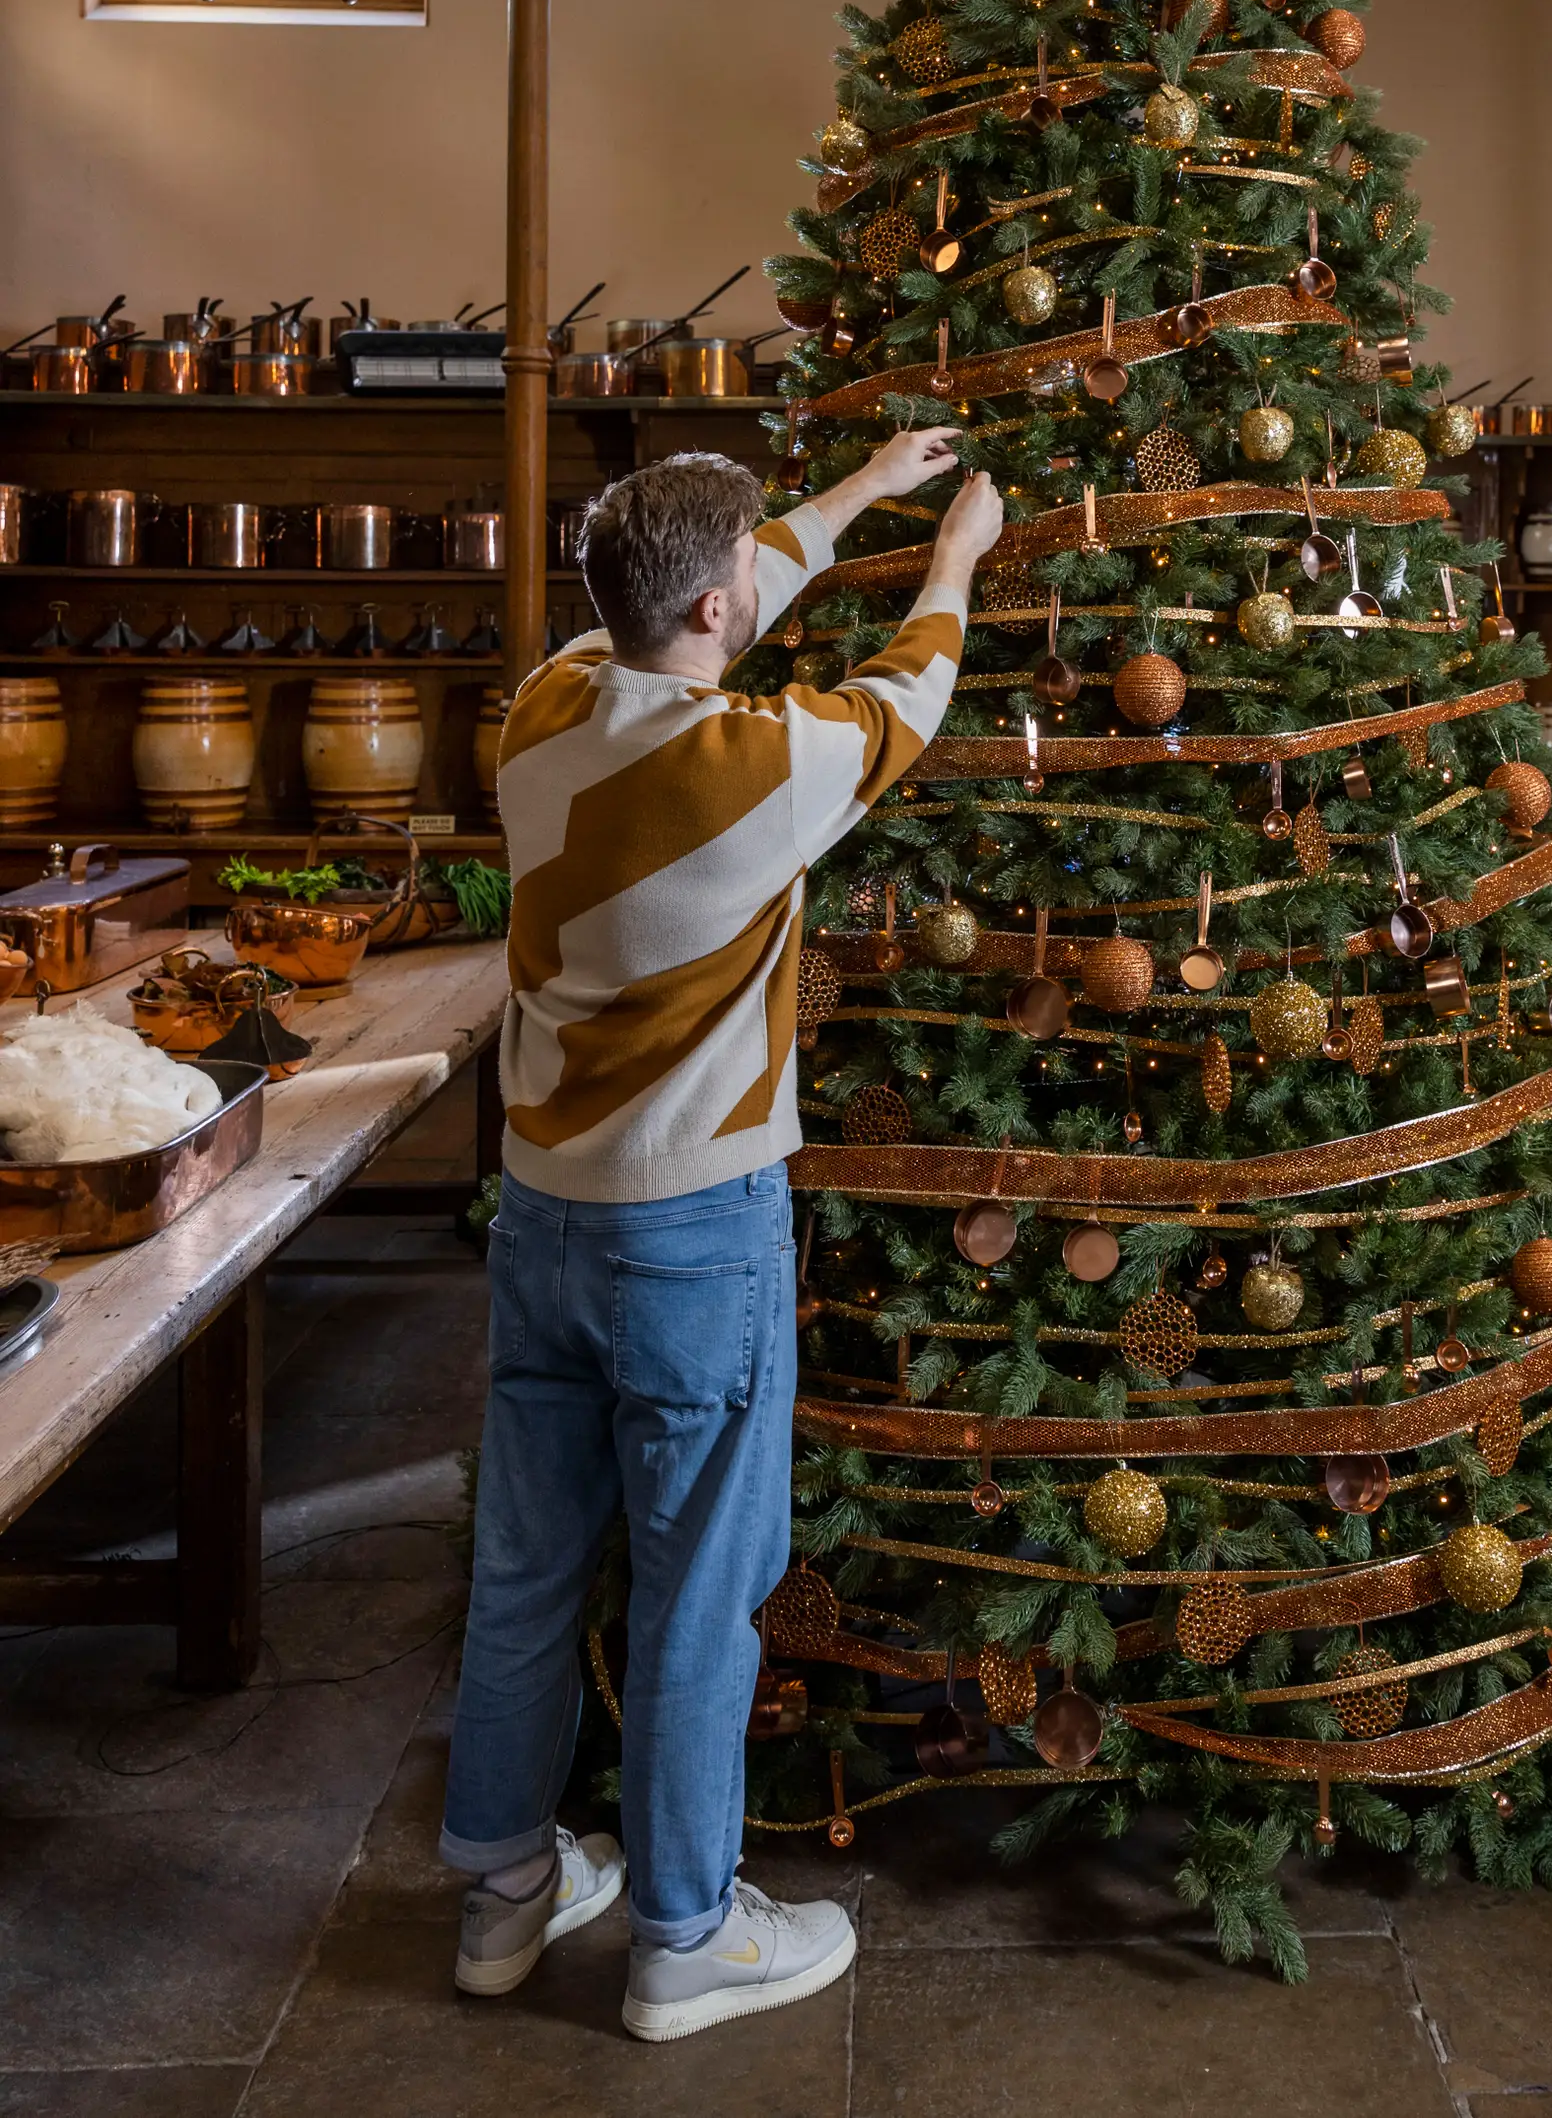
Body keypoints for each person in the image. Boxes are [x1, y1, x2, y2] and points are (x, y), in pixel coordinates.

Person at [439, 426, 1002, 2042]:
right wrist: (951, 551)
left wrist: (857, 491)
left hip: (542, 1218)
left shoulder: (545, 706)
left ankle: (501, 1891)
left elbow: (725, 592)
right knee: (701, 1590)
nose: (761, 580)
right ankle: (685, 1933)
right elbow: (910, 696)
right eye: (748, 566)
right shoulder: (756, 765)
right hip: (689, 1232)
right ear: (709, 612)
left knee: (530, 1565)